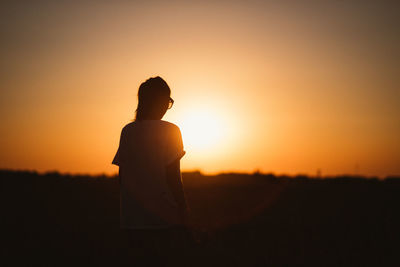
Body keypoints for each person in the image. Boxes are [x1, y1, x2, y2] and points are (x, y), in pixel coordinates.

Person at [112, 76, 191, 265]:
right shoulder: (171, 131)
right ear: (161, 101)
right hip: (164, 220)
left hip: (132, 220)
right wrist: (184, 212)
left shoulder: (127, 131)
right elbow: (174, 179)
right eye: (167, 101)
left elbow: (123, 179)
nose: (167, 106)